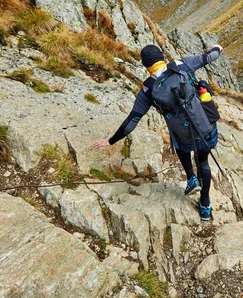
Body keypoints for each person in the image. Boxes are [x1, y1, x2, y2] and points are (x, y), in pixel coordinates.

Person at [94, 43, 223, 221]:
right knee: (203, 162)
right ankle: (205, 205)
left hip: (182, 135)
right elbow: (210, 57)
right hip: (205, 128)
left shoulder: (148, 90)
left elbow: (132, 121)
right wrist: (217, 48)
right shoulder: (183, 65)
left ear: (146, 65)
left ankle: (191, 178)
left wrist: (111, 140)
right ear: (162, 57)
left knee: (180, 142)